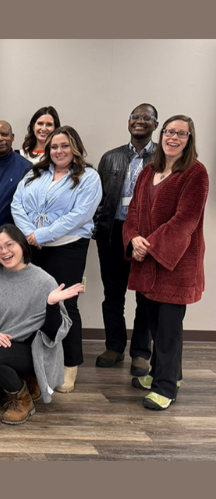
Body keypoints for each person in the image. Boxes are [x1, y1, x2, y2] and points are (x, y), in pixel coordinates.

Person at [124, 115, 209, 410]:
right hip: (146, 260)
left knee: (169, 327)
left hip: (176, 262)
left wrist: (149, 246)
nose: (174, 138)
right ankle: (171, 373)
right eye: (170, 132)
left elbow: (185, 220)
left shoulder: (196, 173)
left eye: (181, 134)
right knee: (152, 321)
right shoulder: (149, 171)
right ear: (162, 135)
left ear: (189, 139)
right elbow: (134, 210)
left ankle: (165, 387)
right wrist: (133, 239)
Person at [11, 126, 102, 393]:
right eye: (54, 147)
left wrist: (42, 234)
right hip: (33, 246)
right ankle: (37, 362)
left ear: (75, 147)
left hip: (68, 247)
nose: (58, 151)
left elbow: (80, 215)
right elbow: (16, 203)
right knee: (36, 304)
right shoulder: (34, 173)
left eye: (64, 146)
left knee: (65, 306)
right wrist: (29, 234)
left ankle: (69, 367)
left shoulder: (89, 177)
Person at [0, 225, 81, 425]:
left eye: (9, 245)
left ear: (21, 244)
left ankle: (23, 399)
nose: (5, 252)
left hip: (32, 351)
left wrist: (51, 305)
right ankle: (21, 381)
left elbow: (53, 335)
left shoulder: (44, 281)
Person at [94, 104, 158, 375]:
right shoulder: (110, 158)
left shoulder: (164, 158)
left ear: (156, 125)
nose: (139, 121)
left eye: (146, 118)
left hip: (146, 238)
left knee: (145, 295)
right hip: (112, 234)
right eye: (135, 117)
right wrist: (99, 226)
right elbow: (97, 198)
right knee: (112, 294)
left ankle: (141, 353)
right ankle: (115, 346)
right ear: (128, 122)